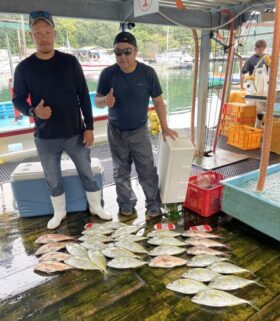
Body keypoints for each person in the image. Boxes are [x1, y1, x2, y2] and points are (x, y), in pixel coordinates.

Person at [12, 11, 112, 229]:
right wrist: (33, 112)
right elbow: (17, 99)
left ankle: (95, 207)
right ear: (32, 37)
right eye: (38, 33)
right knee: (53, 178)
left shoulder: (70, 62)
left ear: (54, 33)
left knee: (86, 171)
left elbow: (84, 96)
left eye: (47, 32)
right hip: (45, 137)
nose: (44, 37)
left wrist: (90, 128)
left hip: (75, 132)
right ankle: (60, 213)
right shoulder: (24, 68)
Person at [95, 31, 178, 218]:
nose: (123, 56)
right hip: (116, 131)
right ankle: (126, 203)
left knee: (147, 169)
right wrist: (104, 102)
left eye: (127, 51)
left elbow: (158, 102)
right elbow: (98, 100)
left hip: (140, 130)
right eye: (118, 52)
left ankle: (152, 204)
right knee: (120, 170)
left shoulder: (148, 73)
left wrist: (165, 127)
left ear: (136, 51)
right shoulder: (107, 74)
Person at [242, 39, 269, 128]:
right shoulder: (250, 60)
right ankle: (248, 126)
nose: (261, 51)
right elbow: (242, 75)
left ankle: (258, 126)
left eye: (263, 49)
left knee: (261, 109)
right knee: (251, 107)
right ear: (255, 49)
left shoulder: (266, 58)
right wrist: (247, 77)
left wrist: (271, 63)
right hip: (252, 88)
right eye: (260, 49)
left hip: (263, 87)